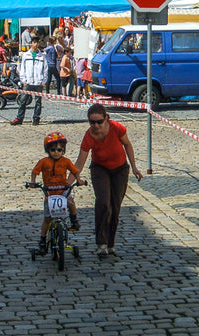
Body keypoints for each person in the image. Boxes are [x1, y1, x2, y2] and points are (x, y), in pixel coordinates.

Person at [72, 103, 143, 256]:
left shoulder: (117, 128)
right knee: (103, 203)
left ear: (107, 119)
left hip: (120, 169)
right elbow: (80, 162)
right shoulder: (88, 136)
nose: (95, 125)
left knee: (115, 206)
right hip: (100, 168)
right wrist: (68, 181)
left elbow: (127, 145)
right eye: (92, 122)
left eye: (99, 121)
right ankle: (101, 242)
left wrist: (134, 167)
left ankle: (110, 243)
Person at [29, 132, 85, 254]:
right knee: (47, 218)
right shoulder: (44, 162)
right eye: (53, 149)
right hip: (50, 192)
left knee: (71, 202)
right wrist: (33, 182)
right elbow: (35, 171)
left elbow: (75, 171)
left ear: (63, 150)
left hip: (63, 190)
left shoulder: (66, 161)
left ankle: (74, 220)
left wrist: (79, 180)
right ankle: (43, 240)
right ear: (48, 150)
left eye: (59, 150)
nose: (56, 152)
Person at [11, 36, 47, 126]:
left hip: (38, 82)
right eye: (34, 42)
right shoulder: (26, 55)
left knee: (38, 101)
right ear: (31, 43)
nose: (35, 44)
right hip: (28, 81)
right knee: (23, 100)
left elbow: (45, 69)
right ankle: (19, 118)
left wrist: (43, 81)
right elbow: (22, 68)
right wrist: (24, 80)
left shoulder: (42, 56)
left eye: (37, 42)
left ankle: (36, 118)